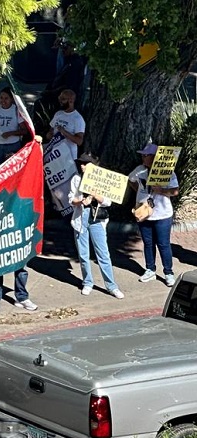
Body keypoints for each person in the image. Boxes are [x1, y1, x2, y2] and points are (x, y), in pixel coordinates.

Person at [68, 154, 123, 299]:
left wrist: (95, 196)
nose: (82, 166)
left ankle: (111, 286)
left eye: (86, 163)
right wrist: (80, 202)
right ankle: (87, 282)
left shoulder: (100, 180)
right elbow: (70, 199)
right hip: (81, 217)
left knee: (103, 253)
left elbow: (108, 202)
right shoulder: (76, 179)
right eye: (81, 163)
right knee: (83, 253)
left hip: (97, 218)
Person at [129, 143, 180, 286]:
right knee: (148, 243)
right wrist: (140, 194)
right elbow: (131, 180)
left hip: (163, 215)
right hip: (144, 214)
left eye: (146, 155)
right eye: (142, 155)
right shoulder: (139, 170)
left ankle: (168, 272)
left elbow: (175, 191)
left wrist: (162, 191)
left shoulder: (166, 171)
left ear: (154, 157)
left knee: (163, 244)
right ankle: (150, 269)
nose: (143, 157)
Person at [0, 88, 27, 168]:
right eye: (1, 98)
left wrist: (10, 133)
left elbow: (24, 131)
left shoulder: (16, 111)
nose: (3, 101)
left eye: (6, 98)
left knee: (12, 170)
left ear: (11, 99)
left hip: (13, 146)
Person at [45, 89, 85, 161]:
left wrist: (64, 132)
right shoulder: (58, 114)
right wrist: (49, 135)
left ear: (71, 101)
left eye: (63, 99)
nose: (60, 101)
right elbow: (51, 130)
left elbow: (79, 141)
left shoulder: (77, 119)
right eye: (59, 98)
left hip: (68, 157)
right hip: (54, 154)